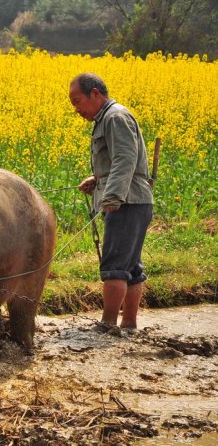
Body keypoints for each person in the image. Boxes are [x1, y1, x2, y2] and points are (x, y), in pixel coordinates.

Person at [69, 73, 153, 332]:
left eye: (77, 101)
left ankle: (107, 324)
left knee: (115, 265)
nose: (77, 109)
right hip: (133, 200)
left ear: (95, 94)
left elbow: (125, 160)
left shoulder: (115, 117)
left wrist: (113, 195)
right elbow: (118, 161)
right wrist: (97, 179)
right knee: (130, 266)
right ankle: (128, 324)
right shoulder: (108, 118)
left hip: (127, 202)